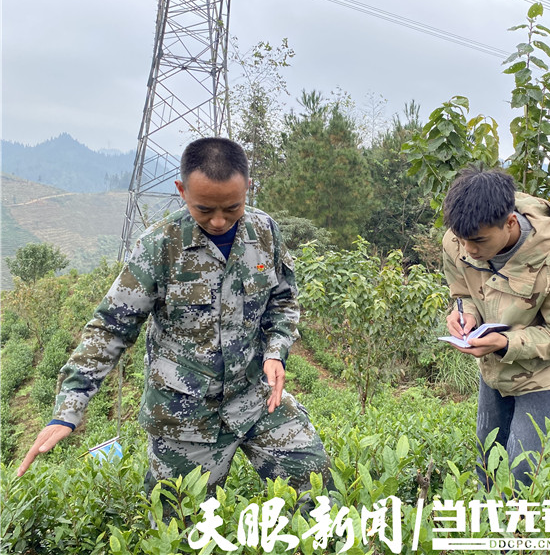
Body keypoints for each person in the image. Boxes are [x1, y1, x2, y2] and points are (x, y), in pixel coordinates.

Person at [16, 137, 330, 498]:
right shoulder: (159, 247)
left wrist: (276, 351)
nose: (218, 220)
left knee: (319, 489)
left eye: (232, 207)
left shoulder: (264, 232)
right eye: (204, 209)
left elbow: (283, 300)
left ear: (248, 187)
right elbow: (109, 329)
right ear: (182, 191)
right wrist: (68, 409)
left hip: (256, 398)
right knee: (180, 519)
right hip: (185, 418)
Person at [441, 167, 550, 488]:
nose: (468, 250)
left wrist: (505, 343)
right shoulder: (458, 238)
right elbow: (462, 291)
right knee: (486, 459)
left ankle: (515, 520)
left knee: (521, 471)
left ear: (509, 223)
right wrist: (464, 314)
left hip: (543, 374)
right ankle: (486, 516)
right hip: (493, 369)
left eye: (478, 241)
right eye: (462, 240)